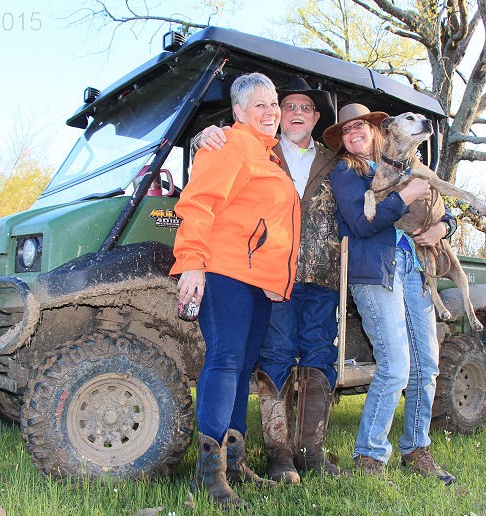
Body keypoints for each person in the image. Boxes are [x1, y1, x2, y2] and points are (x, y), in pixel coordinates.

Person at [193, 77, 341, 482]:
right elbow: (204, 194)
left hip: (298, 276)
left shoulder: (323, 159)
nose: (281, 112)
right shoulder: (241, 145)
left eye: (277, 104)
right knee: (244, 359)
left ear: (315, 117)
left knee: (273, 362)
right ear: (239, 111)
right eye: (272, 104)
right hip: (245, 272)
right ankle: (246, 462)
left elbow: (378, 181)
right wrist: (200, 136)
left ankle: (281, 457)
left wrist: (442, 217)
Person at [171, 72, 301, 508]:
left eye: (274, 103)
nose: (270, 111)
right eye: (259, 104)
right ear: (239, 112)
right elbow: (199, 203)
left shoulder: (271, 158)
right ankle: (208, 474)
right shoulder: (229, 143)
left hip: (257, 281)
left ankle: (234, 460)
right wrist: (192, 263)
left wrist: (276, 279)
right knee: (225, 360)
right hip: (224, 270)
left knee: (243, 366)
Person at [325, 103, 457, 485]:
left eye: (359, 126)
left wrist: (443, 228)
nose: (354, 134)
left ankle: (416, 449)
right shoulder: (346, 174)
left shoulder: (404, 163)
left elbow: (438, 204)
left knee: (427, 365)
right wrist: (406, 196)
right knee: (395, 366)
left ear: (376, 129)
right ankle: (369, 455)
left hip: (415, 269)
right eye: (346, 131)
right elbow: (362, 224)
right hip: (374, 272)